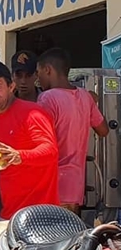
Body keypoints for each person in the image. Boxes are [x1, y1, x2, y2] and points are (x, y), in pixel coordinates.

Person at [0, 60, 59, 220]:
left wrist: (19, 156)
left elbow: (51, 151)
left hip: (39, 214)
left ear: (11, 86)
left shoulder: (32, 112)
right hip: (11, 212)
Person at [36, 48, 109, 213]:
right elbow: (103, 130)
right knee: (71, 234)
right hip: (75, 184)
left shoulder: (47, 98)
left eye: (38, 72)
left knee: (51, 234)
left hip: (52, 183)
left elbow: (39, 140)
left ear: (47, 69)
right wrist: (92, 102)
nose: (37, 79)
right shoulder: (85, 96)